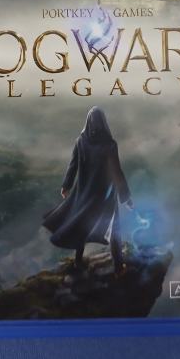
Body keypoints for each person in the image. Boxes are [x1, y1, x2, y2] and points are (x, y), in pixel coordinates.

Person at [43, 106, 133, 274]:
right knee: (114, 229)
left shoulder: (81, 141)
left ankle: (78, 261)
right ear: (104, 123)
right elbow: (117, 172)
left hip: (84, 192)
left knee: (82, 224)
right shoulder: (109, 145)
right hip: (105, 195)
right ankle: (119, 267)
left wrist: (66, 185)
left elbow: (73, 165)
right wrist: (126, 197)